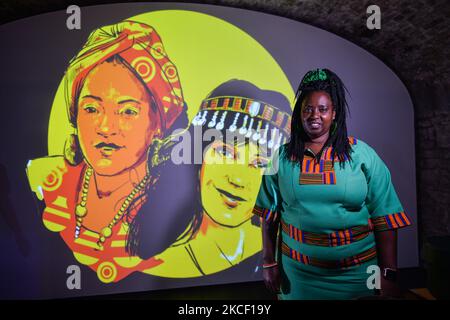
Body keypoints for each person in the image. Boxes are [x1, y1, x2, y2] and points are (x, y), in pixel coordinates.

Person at [26, 20, 195, 283]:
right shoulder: (46, 182)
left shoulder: (172, 207)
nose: (106, 127)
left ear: (157, 126)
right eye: (91, 109)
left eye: (128, 111)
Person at [253, 68, 412, 299]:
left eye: (322, 109)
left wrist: (388, 275)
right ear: (299, 113)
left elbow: (385, 217)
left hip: (358, 275)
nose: (314, 115)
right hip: (298, 277)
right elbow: (268, 215)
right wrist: (268, 262)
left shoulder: (362, 155)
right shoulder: (282, 157)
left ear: (334, 113)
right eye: (308, 109)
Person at [145, 80, 292, 277]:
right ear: (198, 156)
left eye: (259, 164)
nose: (237, 180)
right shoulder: (160, 267)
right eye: (225, 151)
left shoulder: (279, 261)